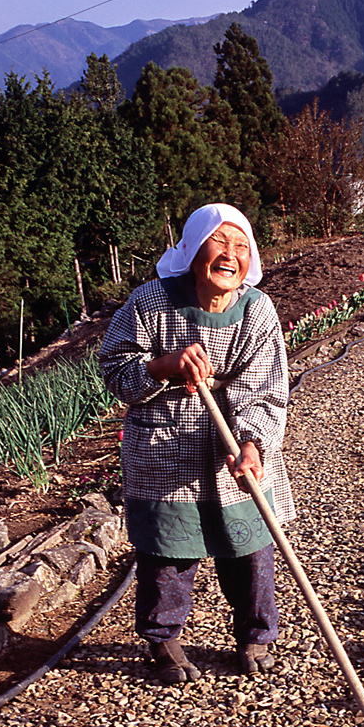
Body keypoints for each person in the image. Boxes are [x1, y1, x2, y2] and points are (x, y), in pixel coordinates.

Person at [98, 203, 293, 685]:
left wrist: (252, 446)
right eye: (220, 242)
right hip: (166, 447)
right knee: (168, 551)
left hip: (232, 444)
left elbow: (266, 389)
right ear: (192, 247)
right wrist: (164, 366)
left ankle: (255, 636)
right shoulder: (150, 303)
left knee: (250, 545)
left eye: (242, 245)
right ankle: (163, 641)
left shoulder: (257, 310)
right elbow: (114, 369)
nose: (232, 255)